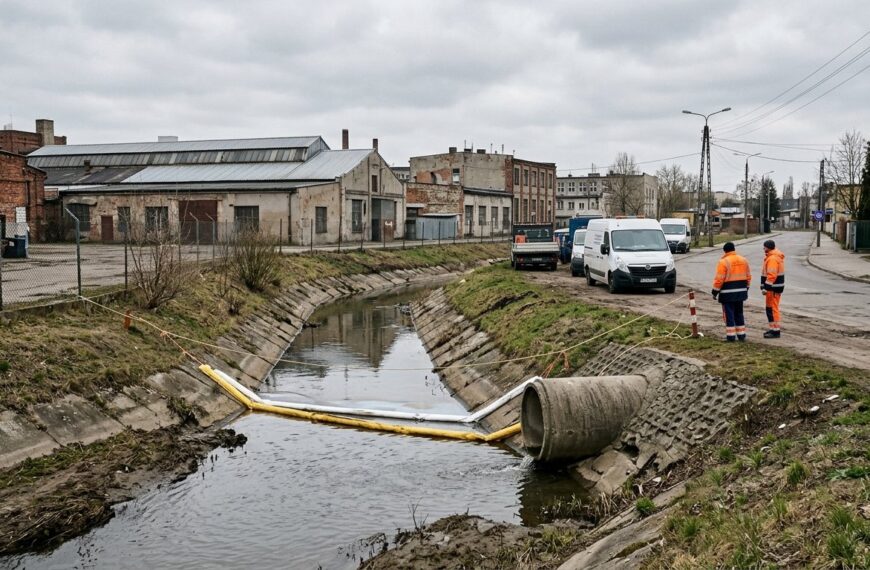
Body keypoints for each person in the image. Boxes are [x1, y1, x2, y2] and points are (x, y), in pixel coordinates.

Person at [711, 241, 752, 342]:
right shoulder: (744, 260)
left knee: (729, 314)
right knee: (739, 313)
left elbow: (719, 279)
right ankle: (741, 335)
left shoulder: (723, 262)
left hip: (727, 293)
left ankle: (731, 336)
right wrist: (746, 288)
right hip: (741, 292)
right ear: (734, 249)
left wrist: (715, 291)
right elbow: (748, 276)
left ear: (724, 251)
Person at [760, 239, 785, 338]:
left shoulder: (772, 259)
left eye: (764, 247)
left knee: (772, 309)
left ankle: (775, 331)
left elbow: (771, 275)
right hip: (774, 287)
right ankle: (773, 329)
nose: (763, 248)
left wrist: (766, 287)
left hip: (773, 288)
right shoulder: (773, 257)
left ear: (768, 248)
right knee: (770, 309)